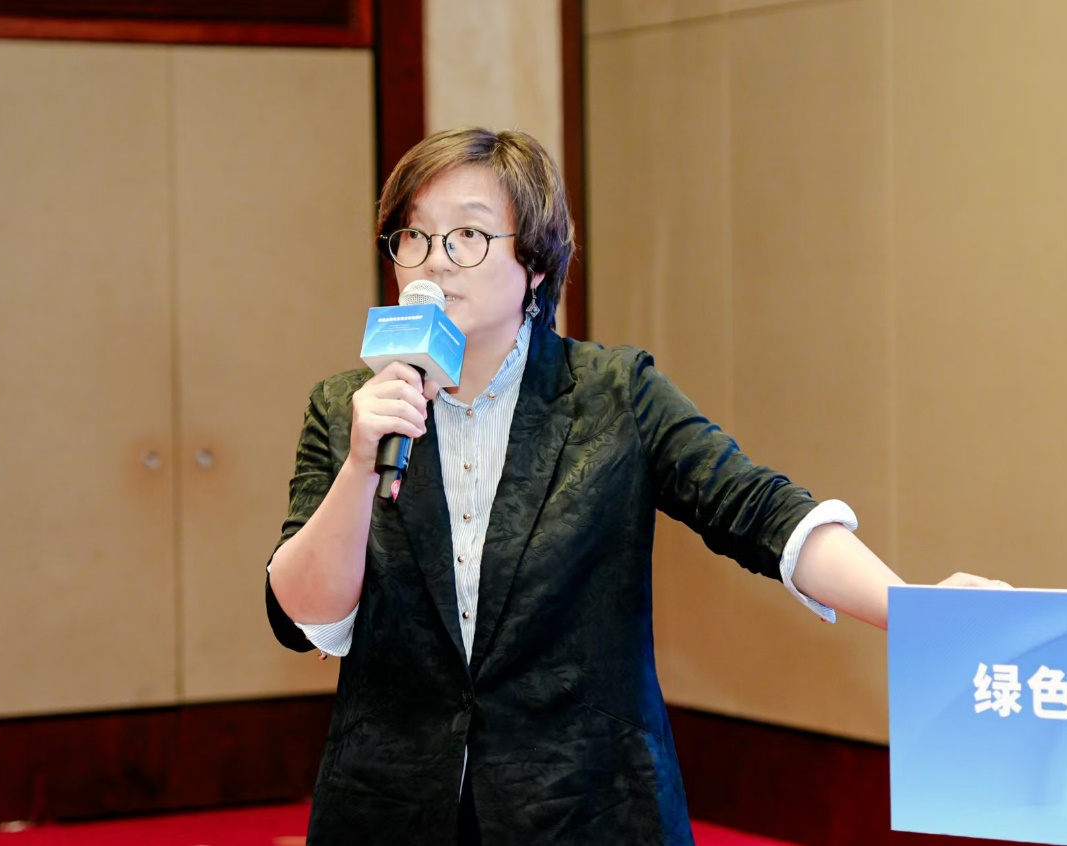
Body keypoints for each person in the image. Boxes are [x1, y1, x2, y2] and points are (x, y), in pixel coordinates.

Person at [265, 126, 1002, 846]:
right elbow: (306, 619)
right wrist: (359, 467)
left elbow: (758, 509)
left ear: (535, 265)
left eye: (467, 235)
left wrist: (909, 608)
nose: (434, 262)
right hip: (390, 805)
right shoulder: (348, 409)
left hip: (585, 803)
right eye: (414, 236)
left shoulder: (614, 394)